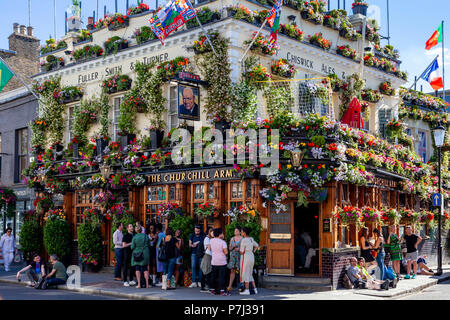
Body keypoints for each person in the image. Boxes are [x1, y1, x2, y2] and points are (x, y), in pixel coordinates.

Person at [239, 227, 259, 295]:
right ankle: (255, 289)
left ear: (244, 233)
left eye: (241, 232)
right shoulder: (251, 239)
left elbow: (241, 252)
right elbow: (257, 245)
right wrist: (253, 250)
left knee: (245, 273)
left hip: (246, 256)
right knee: (250, 273)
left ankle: (247, 290)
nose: (241, 233)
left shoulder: (243, 240)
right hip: (251, 255)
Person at [210, 228, 229, 296]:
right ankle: (222, 291)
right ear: (220, 234)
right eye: (222, 233)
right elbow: (226, 252)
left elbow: (210, 249)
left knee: (214, 276)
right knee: (222, 277)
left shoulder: (211, 240)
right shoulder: (223, 242)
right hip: (222, 261)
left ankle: (213, 290)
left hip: (214, 261)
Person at [227, 226, 242, 292]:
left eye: (236, 231)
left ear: (240, 232)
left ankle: (240, 286)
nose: (235, 232)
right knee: (232, 271)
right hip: (233, 256)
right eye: (234, 231)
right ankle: (230, 286)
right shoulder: (232, 239)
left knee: (240, 271)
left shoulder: (242, 239)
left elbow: (243, 248)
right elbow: (229, 249)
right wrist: (232, 247)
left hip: (239, 256)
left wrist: (239, 249)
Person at [200, 227, 214, 293]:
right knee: (205, 271)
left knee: (209, 271)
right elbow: (209, 248)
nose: (213, 233)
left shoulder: (212, 239)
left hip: (212, 256)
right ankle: (203, 287)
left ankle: (207, 286)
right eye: (211, 232)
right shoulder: (207, 238)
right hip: (207, 256)